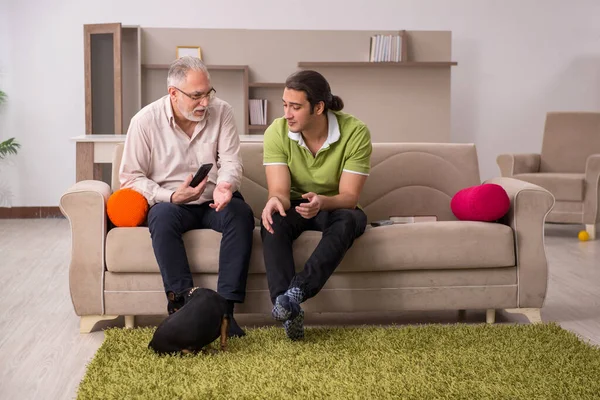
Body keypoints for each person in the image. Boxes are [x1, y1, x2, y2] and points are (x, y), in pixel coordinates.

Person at [119, 56, 254, 337]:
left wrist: (225, 185)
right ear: (173, 93)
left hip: (213, 199)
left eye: (208, 93)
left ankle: (226, 312)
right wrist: (169, 196)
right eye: (196, 96)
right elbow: (130, 177)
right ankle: (182, 307)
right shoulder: (145, 121)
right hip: (172, 204)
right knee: (160, 217)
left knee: (241, 215)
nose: (205, 102)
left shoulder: (222, 112)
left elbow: (231, 161)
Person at [261, 70, 372, 340]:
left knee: (350, 219)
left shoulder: (355, 132)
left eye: (295, 107)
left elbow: (349, 197)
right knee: (273, 220)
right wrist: (275, 200)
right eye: (285, 104)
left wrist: (322, 202)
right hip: (296, 203)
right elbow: (280, 191)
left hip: (336, 205)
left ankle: (297, 291)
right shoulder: (277, 131)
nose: (287, 113)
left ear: (319, 107)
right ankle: (285, 305)